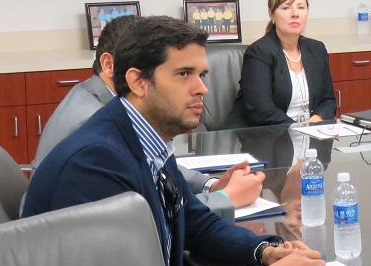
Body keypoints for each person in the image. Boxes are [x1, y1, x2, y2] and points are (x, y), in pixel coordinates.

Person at [22, 16, 325, 266]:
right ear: (138, 82)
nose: (202, 89)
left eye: (202, 75)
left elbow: (195, 223)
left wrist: (265, 250)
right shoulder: (96, 162)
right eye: (183, 74)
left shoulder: (148, 136)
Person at [31, 14, 262, 219]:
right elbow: (150, 217)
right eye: (182, 74)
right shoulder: (94, 129)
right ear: (111, 65)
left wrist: (210, 185)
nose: (202, 89)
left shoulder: (106, 103)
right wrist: (225, 198)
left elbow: (156, 170)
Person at [226, 0, 337, 127]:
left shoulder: (317, 49)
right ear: (271, 13)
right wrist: (300, 129)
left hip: (308, 132)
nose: (295, 14)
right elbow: (262, 112)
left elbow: (328, 100)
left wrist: (314, 121)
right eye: (286, 8)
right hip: (266, 134)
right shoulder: (259, 52)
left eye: (301, 7)